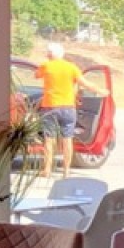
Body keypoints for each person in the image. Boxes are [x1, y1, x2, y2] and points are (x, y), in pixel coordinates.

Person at [33, 42, 100, 179]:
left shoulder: (46, 66)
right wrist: (100, 90)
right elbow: (85, 83)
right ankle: (66, 171)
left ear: (50, 54)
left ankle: (47, 170)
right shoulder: (72, 67)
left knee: (49, 139)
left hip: (50, 107)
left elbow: (36, 75)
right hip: (69, 108)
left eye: (48, 53)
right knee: (67, 139)